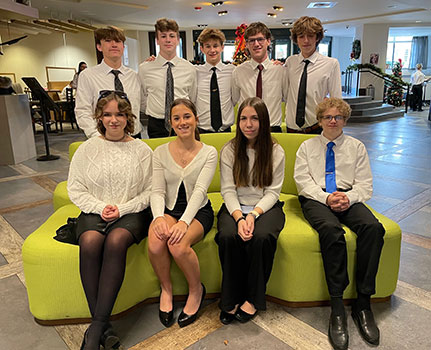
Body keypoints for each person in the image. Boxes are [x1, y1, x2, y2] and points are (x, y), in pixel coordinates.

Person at [294, 98, 385, 350]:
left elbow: (365, 185)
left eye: (338, 117)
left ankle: (362, 304)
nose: (332, 121)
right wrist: (327, 197)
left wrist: (348, 198)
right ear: (320, 120)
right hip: (317, 198)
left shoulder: (357, 147)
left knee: (373, 228)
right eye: (327, 117)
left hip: (349, 197)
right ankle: (337, 307)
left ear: (345, 120)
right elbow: (302, 181)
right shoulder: (307, 147)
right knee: (332, 231)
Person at [67, 91, 153, 350]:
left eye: (119, 114)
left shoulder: (142, 149)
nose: (113, 120)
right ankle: (103, 328)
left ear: (128, 117)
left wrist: (123, 208)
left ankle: (94, 332)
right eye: (107, 114)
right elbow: (75, 188)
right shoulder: (87, 149)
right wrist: (100, 207)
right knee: (91, 241)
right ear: (99, 118)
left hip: (131, 213)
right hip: (95, 211)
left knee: (116, 241)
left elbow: (150, 191)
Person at [148, 98, 217, 328]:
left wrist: (184, 223)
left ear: (196, 120)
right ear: (171, 122)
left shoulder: (209, 152)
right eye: (176, 118)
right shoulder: (159, 152)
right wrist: (158, 217)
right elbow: (157, 190)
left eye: (187, 116)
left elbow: (199, 191)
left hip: (198, 212)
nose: (182, 122)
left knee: (178, 245)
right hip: (168, 210)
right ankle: (166, 290)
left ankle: (196, 290)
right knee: (156, 243)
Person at [216, 97, 286, 325]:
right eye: (244, 118)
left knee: (262, 238)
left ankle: (254, 300)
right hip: (235, 206)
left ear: (263, 121)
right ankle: (231, 297)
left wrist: (253, 215)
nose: (248, 124)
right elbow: (227, 190)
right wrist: (239, 218)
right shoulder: (229, 150)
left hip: (265, 208)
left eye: (254, 118)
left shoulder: (276, 151)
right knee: (228, 237)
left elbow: (273, 192)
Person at [75, 26, 143, 138]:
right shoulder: (88, 76)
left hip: (133, 136)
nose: (114, 45)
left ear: (123, 46)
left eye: (118, 41)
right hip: (103, 136)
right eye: (108, 41)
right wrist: (96, 136)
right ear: (99, 46)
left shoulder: (134, 76)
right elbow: (82, 111)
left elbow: (143, 104)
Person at [139, 18, 197, 138]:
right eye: (163, 36)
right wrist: (156, 110)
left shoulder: (189, 68)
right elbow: (142, 97)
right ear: (157, 40)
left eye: (172, 36)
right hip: (156, 123)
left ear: (177, 40)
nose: (168, 40)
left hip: (183, 122)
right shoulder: (145, 69)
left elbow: (192, 96)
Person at [285, 16, 342, 134]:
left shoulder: (331, 64)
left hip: (316, 128)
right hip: (291, 128)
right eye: (301, 36)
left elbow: (336, 100)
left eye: (310, 36)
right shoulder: (290, 62)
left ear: (317, 37)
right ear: (296, 39)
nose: (306, 41)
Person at [232, 22, 288, 132]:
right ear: (246, 44)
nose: (256, 44)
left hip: (272, 129)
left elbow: (287, 98)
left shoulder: (281, 71)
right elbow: (234, 99)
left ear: (268, 41)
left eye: (260, 39)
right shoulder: (238, 72)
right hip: (246, 130)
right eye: (251, 40)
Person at [195, 28, 235, 133]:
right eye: (208, 46)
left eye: (215, 46)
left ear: (222, 47)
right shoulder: (194, 71)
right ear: (202, 49)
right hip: (202, 130)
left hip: (225, 130)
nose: (212, 50)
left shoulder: (232, 71)